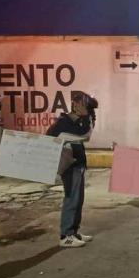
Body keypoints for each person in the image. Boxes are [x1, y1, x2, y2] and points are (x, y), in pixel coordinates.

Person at [47, 91, 99, 248]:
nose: (88, 111)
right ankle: (66, 235)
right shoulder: (64, 123)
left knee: (78, 200)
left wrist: (87, 116)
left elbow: (85, 132)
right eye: (85, 106)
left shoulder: (76, 121)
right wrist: (87, 117)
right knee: (71, 199)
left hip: (78, 164)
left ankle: (74, 232)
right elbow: (86, 135)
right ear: (76, 105)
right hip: (69, 166)